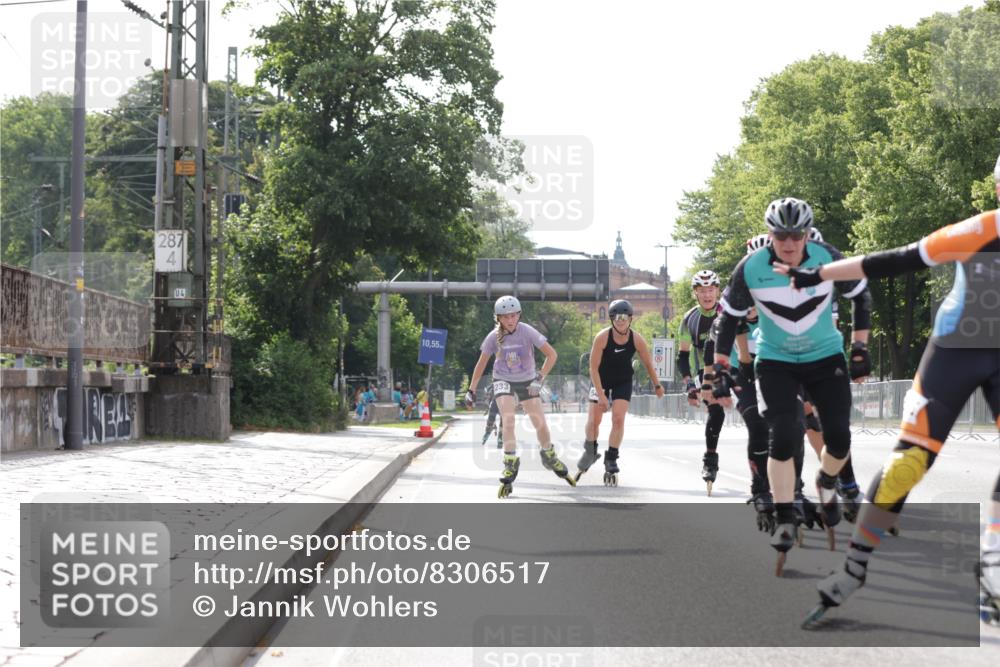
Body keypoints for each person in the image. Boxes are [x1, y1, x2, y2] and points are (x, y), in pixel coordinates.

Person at [775, 195, 1000, 625]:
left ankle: (993, 566)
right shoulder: (980, 230)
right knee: (909, 463)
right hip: (956, 352)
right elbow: (896, 259)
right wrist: (817, 274)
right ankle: (853, 568)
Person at [713, 197, 872, 575]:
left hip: (825, 356)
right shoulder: (750, 267)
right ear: (770, 234)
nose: (788, 242)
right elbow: (727, 320)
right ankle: (785, 515)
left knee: (838, 437)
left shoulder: (827, 256)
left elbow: (860, 295)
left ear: (806, 233)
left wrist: (860, 346)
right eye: (780, 235)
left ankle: (828, 478)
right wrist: (719, 366)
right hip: (776, 361)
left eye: (795, 235)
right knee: (783, 433)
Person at [465, 295, 576, 498]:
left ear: (519, 315)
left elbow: (552, 355)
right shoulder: (493, 337)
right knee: (508, 419)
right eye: (506, 317)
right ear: (498, 318)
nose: (510, 320)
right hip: (502, 380)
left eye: (514, 315)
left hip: (527, 380)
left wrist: (539, 378)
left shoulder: (527, 331)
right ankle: (510, 462)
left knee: (539, 422)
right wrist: (470, 390)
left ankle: (548, 453)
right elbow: (481, 364)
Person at [576, 299, 665, 485]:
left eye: (624, 317)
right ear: (611, 319)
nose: (620, 321)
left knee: (618, 418)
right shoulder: (602, 337)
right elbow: (593, 368)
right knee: (594, 420)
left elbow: (649, 364)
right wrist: (600, 395)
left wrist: (657, 385)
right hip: (601, 380)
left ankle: (611, 458)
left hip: (622, 382)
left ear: (630, 319)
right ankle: (590, 450)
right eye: (616, 317)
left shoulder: (636, 339)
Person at [677, 269, 726, 494]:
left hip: (732, 365)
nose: (707, 295)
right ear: (695, 293)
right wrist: (689, 384)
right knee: (716, 412)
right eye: (702, 291)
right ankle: (710, 459)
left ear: (718, 290)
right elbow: (682, 357)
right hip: (703, 370)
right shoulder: (689, 320)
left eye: (711, 290)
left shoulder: (728, 311)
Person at [481, 383, 503, 449]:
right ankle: (488, 431)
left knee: (504, 419)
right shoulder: (494, 384)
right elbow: (486, 393)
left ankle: (500, 436)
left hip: (503, 403)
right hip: (494, 402)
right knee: (491, 418)